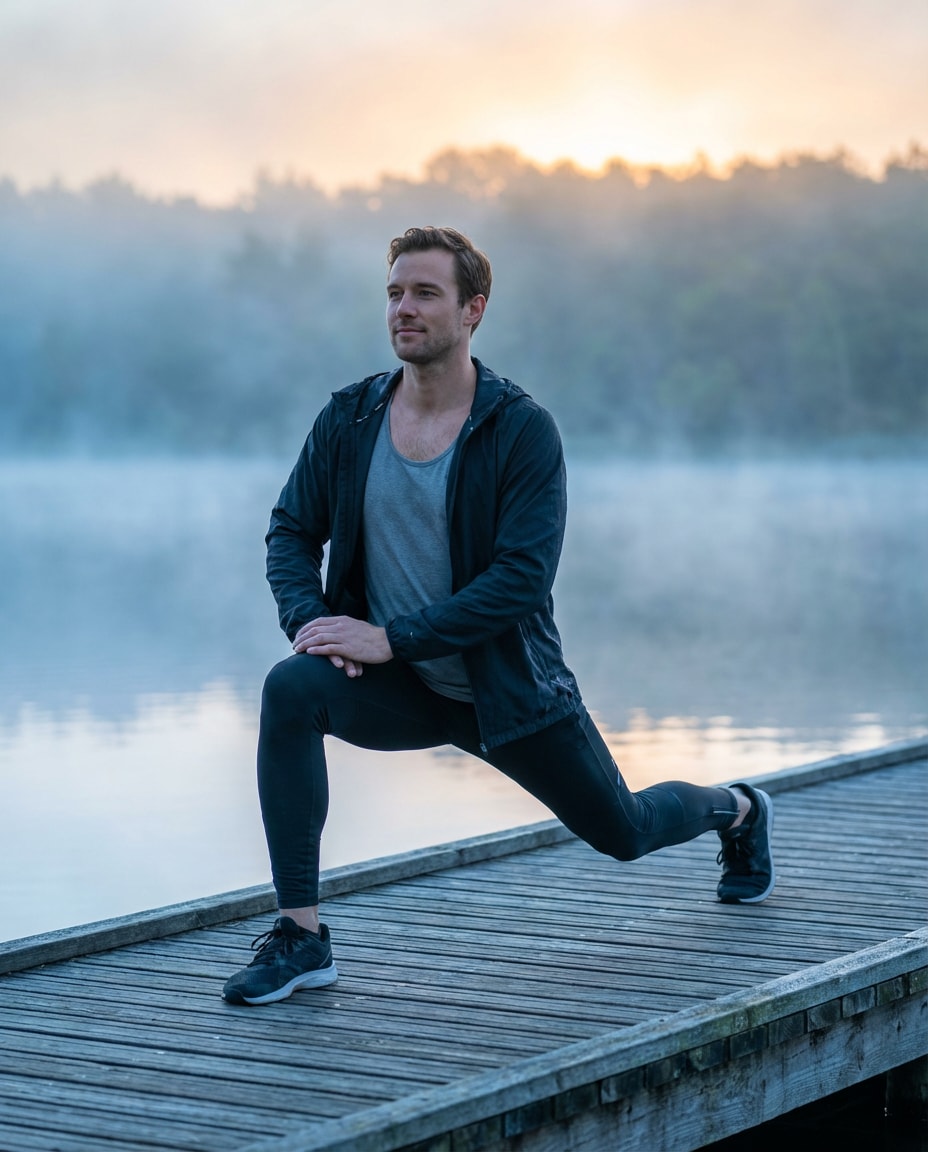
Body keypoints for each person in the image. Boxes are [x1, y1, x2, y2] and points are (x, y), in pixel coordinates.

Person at [222, 226, 775, 1007]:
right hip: (403, 684)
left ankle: (740, 809)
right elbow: (290, 530)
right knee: (291, 689)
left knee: (625, 830)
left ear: (473, 309)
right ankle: (303, 938)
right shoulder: (349, 420)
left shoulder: (520, 430)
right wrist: (314, 625)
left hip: (509, 691)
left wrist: (390, 636)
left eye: (424, 294)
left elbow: (520, 580)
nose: (402, 309)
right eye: (393, 293)